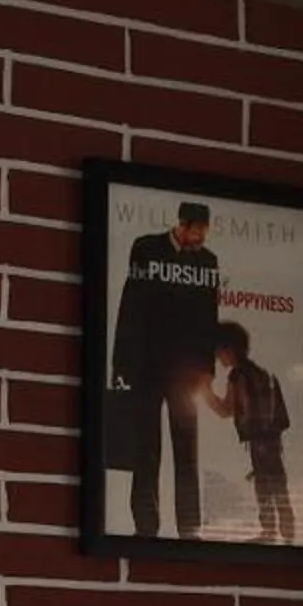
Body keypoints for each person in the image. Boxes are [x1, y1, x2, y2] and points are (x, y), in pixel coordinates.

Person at [108, 199, 222, 537]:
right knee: (146, 447)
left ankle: (189, 527)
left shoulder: (208, 261)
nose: (200, 242)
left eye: (204, 236)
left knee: (186, 448)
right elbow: (130, 305)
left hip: (186, 372)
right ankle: (146, 525)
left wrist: (207, 371)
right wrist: (120, 361)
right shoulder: (145, 248)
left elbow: (208, 319)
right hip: (146, 364)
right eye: (196, 234)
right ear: (182, 225)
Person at [207, 321, 294, 543]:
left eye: (218, 351)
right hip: (274, 440)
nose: (218, 358)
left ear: (228, 349)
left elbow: (227, 409)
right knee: (278, 483)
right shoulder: (260, 372)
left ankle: (270, 531)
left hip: (259, 441)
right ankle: (288, 531)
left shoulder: (238, 376)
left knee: (264, 486)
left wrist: (204, 393)